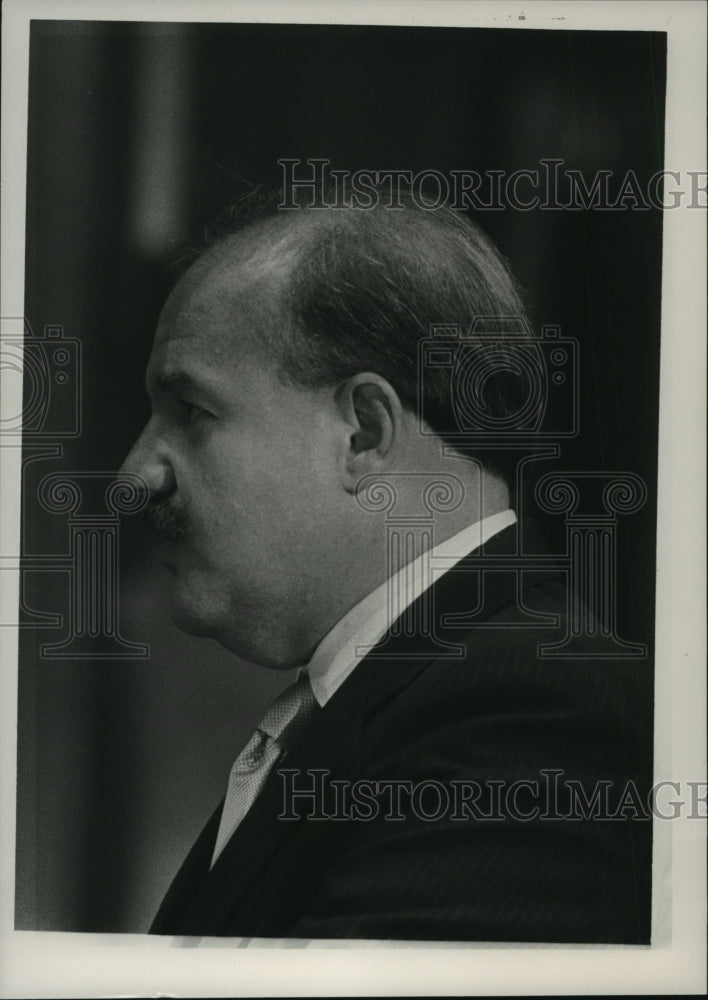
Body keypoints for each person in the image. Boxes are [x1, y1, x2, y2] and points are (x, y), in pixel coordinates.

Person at [120, 192, 652, 942]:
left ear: (364, 433)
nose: (136, 472)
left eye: (190, 411)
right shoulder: (410, 692)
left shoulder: (534, 709)